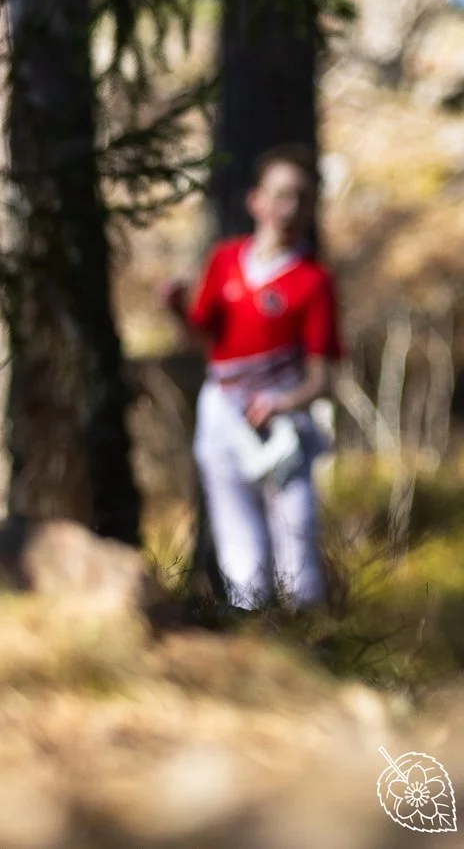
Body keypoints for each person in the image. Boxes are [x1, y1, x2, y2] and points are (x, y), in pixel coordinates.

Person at [164, 145, 341, 611]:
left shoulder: (313, 281)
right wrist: (176, 310)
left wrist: (283, 404)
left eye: (302, 198)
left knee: (297, 535)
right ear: (256, 201)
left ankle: (310, 635)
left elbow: (323, 376)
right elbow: (201, 341)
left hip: (283, 426)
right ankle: (249, 630)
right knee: (237, 537)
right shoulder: (224, 261)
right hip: (223, 412)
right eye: (281, 196)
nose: (291, 209)